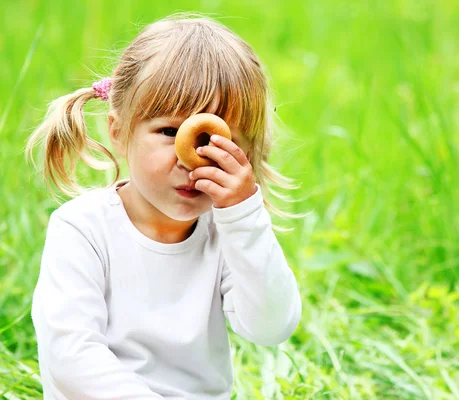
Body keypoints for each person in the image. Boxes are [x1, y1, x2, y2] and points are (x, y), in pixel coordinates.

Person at [25, 12, 302, 400]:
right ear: (119, 132)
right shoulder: (82, 228)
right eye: (170, 132)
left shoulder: (229, 234)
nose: (193, 160)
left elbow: (272, 326)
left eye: (216, 139)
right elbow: (71, 357)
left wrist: (244, 216)